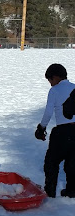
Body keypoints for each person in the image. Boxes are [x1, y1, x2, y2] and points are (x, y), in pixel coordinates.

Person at [35, 63, 75, 198]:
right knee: (72, 163)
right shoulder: (74, 88)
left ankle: (50, 191)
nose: (50, 84)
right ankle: (71, 191)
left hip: (62, 132)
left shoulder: (55, 90)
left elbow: (48, 113)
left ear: (56, 77)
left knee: (51, 162)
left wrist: (41, 128)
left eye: (50, 80)